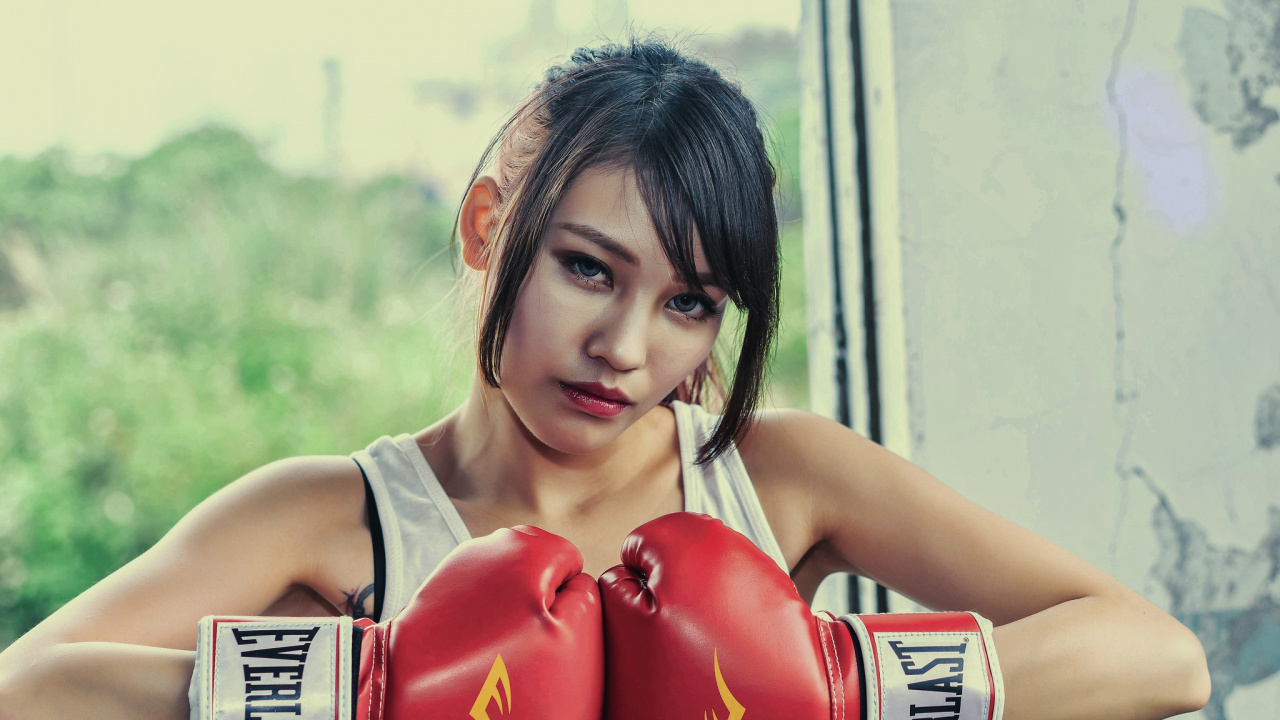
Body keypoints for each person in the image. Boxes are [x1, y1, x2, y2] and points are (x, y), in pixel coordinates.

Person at [0, 35, 1209, 720]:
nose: (627, 349)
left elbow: (1157, 655)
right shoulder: (328, 517)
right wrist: (367, 690)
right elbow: (32, 688)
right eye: (588, 269)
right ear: (487, 229)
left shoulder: (778, 477)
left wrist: (837, 685)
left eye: (689, 303)